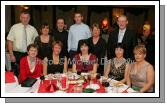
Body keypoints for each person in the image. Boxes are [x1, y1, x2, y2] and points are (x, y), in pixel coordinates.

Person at [7, 11, 38, 77]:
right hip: (16, 54)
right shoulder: (14, 27)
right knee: (16, 74)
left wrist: (34, 54)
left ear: (29, 18)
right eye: (23, 17)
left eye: (27, 18)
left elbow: (36, 43)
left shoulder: (33, 29)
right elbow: (10, 41)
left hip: (29, 54)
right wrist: (11, 54)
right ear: (20, 18)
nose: (25, 19)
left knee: (28, 73)